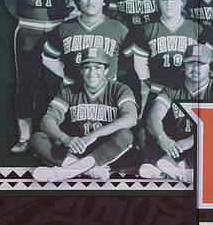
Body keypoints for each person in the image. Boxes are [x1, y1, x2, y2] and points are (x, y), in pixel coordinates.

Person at [0, 0, 80, 152]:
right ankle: (24, 137)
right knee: (27, 84)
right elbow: (11, 2)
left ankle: (60, 135)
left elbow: (75, 5)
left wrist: (61, 22)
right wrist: (27, 18)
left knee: (58, 84)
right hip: (28, 30)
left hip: (57, 32)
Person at [29, 47, 136, 182]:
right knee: (37, 138)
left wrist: (95, 134)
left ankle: (64, 172)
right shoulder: (69, 91)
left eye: (98, 67)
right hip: (77, 147)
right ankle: (89, 170)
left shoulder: (119, 89)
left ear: (106, 70)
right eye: (87, 67)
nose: (92, 73)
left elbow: (131, 118)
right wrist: (65, 138)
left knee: (125, 135)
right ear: (81, 70)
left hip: (107, 149)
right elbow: (47, 120)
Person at [139, 44, 213, 183]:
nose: (195, 69)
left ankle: (165, 167)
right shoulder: (172, 88)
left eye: (200, 64)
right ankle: (177, 171)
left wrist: (190, 141)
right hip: (173, 144)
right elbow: (154, 116)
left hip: (200, 143)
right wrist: (162, 138)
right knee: (142, 133)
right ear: (184, 66)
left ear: (210, 67)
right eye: (190, 64)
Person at [43, 0, 132, 85]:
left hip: (106, 93)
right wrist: (67, 77)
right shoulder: (64, 28)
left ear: (104, 0)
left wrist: (113, 76)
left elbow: (132, 60)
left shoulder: (118, 28)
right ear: (78, 0)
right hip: (73, 93)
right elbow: (48, 58)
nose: (91, 2)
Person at [131, 0, 203, 110]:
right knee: (146, 128)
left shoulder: (195, 29)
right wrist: (149, 83)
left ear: (181, 2)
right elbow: (140, 61)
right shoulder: (149, 28)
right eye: (164, 0)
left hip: (187, 91)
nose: (169, 4)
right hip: (158, 89)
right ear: (158, 3)